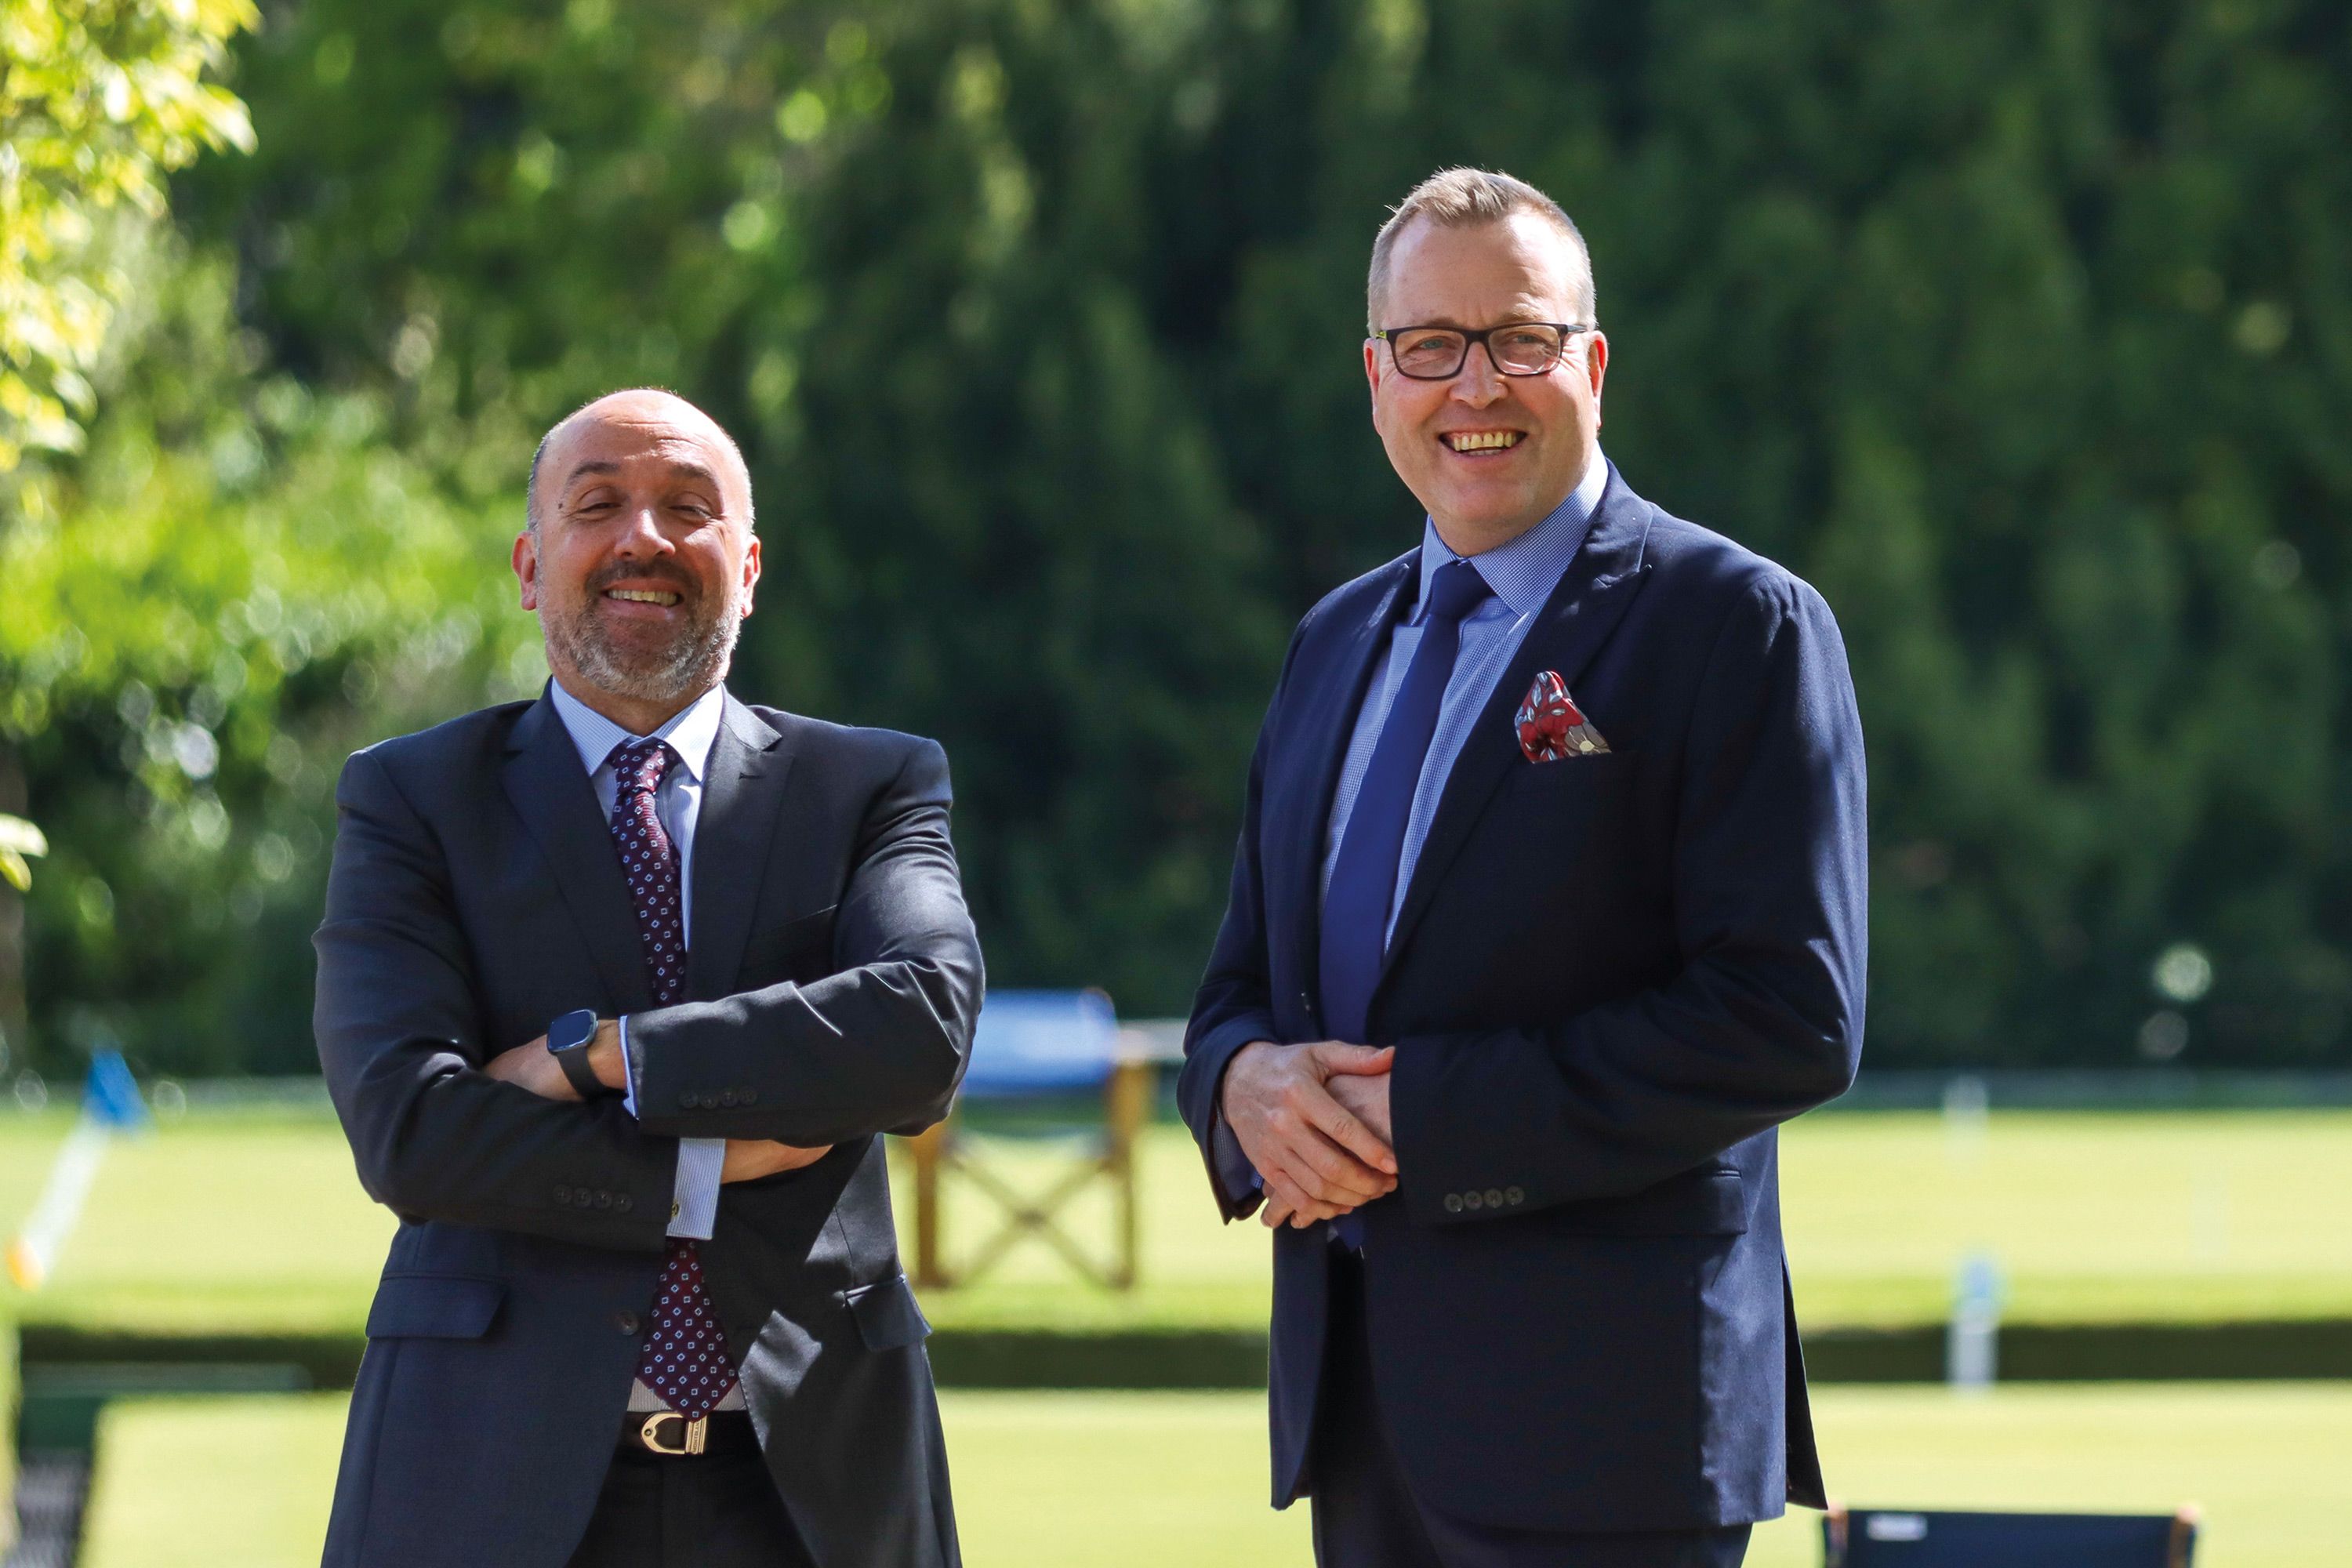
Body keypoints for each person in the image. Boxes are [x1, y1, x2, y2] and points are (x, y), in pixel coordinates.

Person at [1178, 169, 1867, 1566]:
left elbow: (1788, 1018)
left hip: (1608, 1432)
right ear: (1377, 379)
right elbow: (1240, 989)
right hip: (1356, 1413)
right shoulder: (1333, 642)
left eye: (1521, 339)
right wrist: (1241, 1089)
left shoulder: (1736, 625)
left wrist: (1427, 1117)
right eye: (1432, 345)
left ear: (1593, 366)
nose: (1474, 385)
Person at [314, 388, 981, 1568]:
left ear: (749, 568)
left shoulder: (870, 788)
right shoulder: (413, 800)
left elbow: (919, 1032)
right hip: (484, 1482)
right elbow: (412, 1132)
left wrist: (602, 1054)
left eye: (688, 507)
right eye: (598, 505)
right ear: (531, 566)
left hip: (816, 1488)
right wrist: (698, 1175)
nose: (645, 538)